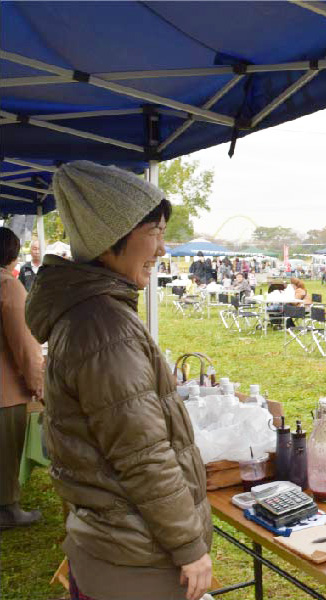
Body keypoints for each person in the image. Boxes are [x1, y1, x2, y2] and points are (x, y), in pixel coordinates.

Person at [25, 161, 213, 600]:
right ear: (114, 237)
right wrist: (188, 546)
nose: (162, 249)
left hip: (109, 543)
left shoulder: (90, 313)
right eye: (156, 232)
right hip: (134, 560)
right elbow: (144, 455)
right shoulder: (105, 326)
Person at [0, 227, 44, 529]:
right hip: (4, 389)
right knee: (5, 449)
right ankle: (8, 509)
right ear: (14, 254)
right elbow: (23, 341)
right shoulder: (8, 285)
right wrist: (37, 382)